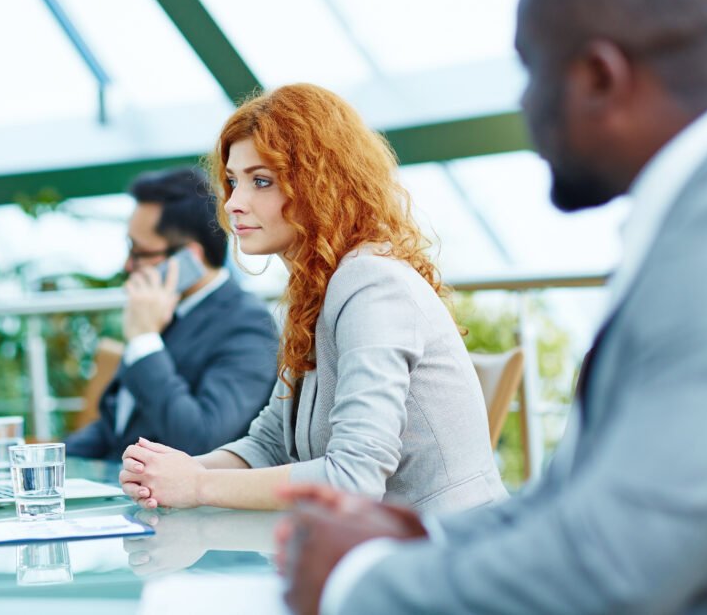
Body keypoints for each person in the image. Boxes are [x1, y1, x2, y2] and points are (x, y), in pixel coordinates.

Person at [278, 0, 707, 613]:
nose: (524, 107)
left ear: (600, 77)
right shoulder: (689, 221)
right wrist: (423, 538)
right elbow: (571, 500)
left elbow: (608, 566)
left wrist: (353, 582)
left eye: (532, 71)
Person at [118, 84, 505, 512]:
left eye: (261, 181)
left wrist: (197, 486)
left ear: (321, 185)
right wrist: (174, 473)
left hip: (444, 553)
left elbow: (353, 479)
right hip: (379, 546)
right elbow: (269, 444)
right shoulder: (315, 288)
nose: (233, 204)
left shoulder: (372, 285)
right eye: (232, 181)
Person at [64, 167, 279, 460]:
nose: (128, 265)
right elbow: (118, 428)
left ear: (188, 257)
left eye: (139, 252)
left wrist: (144, 340)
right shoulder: (165, 308)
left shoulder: (248, 324)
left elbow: (202, 439)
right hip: (121, 487)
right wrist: (48, 460)